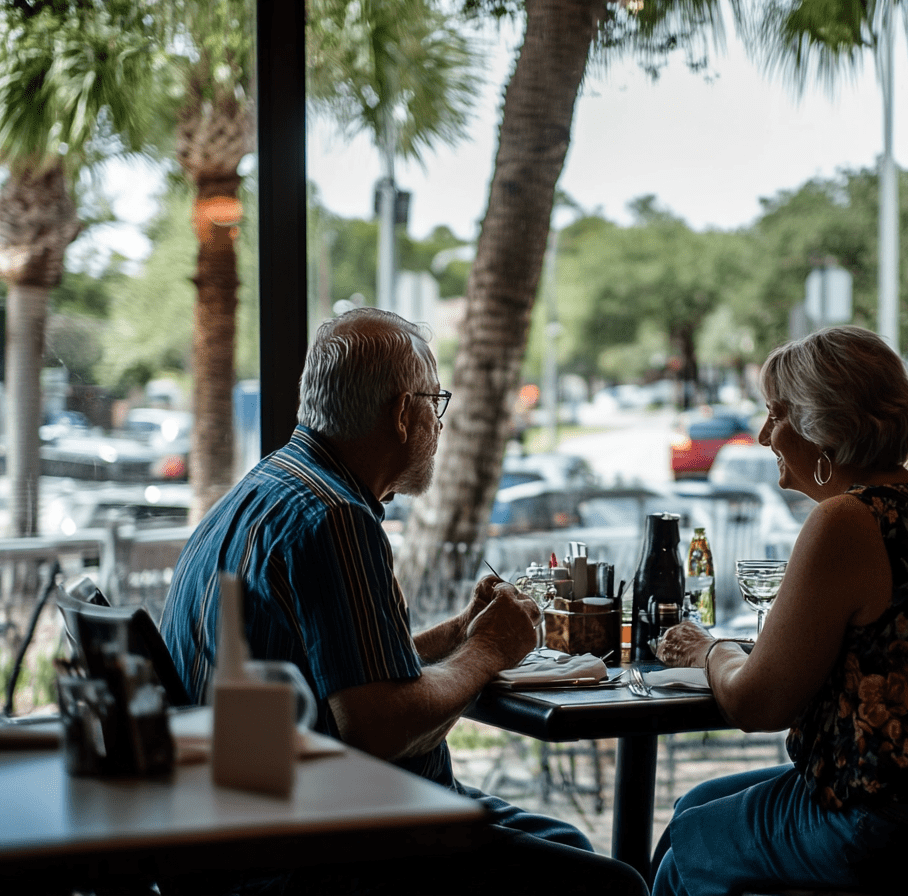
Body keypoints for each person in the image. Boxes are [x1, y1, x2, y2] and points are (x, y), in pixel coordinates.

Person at [161, 307, 646, 896]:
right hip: (324, 847)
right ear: (401, 414)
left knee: (567, 846)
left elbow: (350, 675)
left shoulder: (271, 486)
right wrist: (489, 650)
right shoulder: (336, 519)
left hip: (243, 832)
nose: (439, 427)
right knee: (612, 885)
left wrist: (464, 629)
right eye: (436, 404)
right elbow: (378, 728)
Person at [650, 326, 908, 896]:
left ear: (823, 426)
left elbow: (759, 702)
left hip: (894, 824)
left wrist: (711, 649)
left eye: (776, 415)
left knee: (690, 841)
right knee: (698, 802)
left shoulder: (849, 521)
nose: (762, 436)